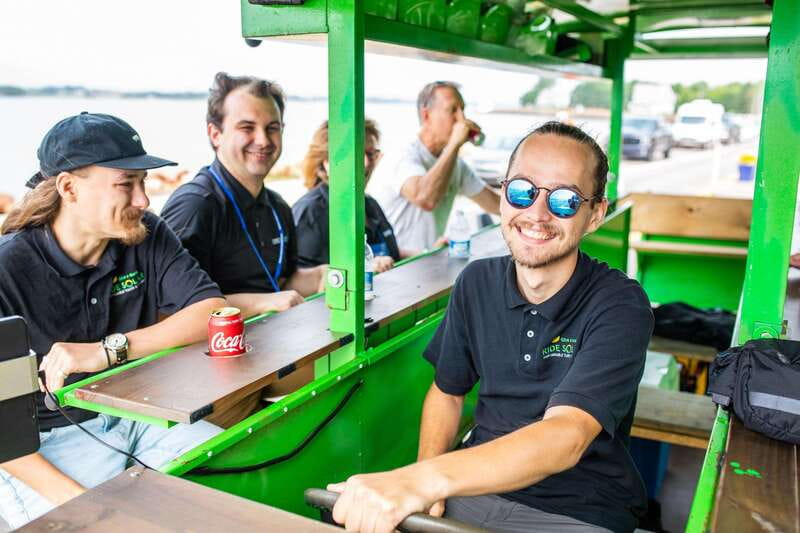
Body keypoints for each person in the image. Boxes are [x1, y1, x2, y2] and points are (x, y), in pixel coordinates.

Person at [329, 122, 654, 533]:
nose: (537, 213)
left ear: (595, 215)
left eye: (566, 200)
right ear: (502, 197)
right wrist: (430, 486)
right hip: (473, 492)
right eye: (523, 191)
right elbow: (447, 394)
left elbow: (566, 436)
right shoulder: (476, 282)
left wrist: (421, 480)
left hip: (579, 507)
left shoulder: (619, 303)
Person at [0, 113, 224, 529]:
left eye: (144, 183)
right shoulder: (7, 269)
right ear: (69, 187)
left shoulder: (146, 232)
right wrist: (89, 508)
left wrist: (108, 351)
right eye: (127, 183)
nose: (144, 200)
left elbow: (211, 310)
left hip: (142, 414)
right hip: (46, 444)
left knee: (228, 473)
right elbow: (5, 439)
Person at [161, 72, 326, 319]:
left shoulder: (277, 206)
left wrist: (323, 274)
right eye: (247, 127)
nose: (263, 140)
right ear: (215, 134)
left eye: (272, 128)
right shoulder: (195, 205)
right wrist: (263, 303)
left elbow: (280, 283)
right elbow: (170, 307)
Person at [368, 81, 500, 251]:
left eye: (462, 110)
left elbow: (496, 205)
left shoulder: (455, 164)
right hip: (394, 266)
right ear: (426, 116)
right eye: (452, 110)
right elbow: (425, 199)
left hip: (427, 263)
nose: (462, 119)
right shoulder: (402, 155)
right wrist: (454, 145)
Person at [293, 119, 420, 273]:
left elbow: (392, 254)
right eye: (356, 154)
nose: (366, 163)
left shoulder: (369, 204)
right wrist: (364, 268)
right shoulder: (311, 212)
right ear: (327, 162)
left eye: (371, 154)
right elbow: (304, 284)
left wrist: (429, 253)